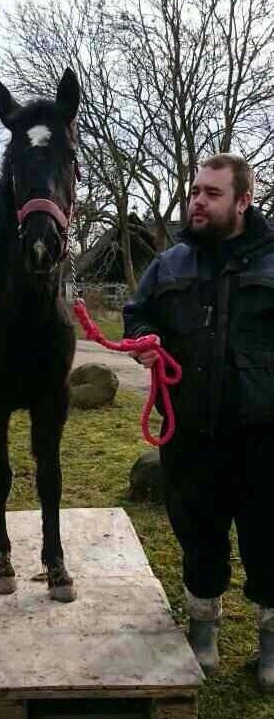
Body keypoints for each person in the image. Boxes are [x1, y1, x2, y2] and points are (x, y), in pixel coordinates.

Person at [123, 154, 274, 691]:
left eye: (211, 193)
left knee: (269, 539)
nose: (197, 202)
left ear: (242, 202)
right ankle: (203, 630)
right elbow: (137, 312)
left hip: (264, 437)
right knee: (198, 534)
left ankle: (270, 644)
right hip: (189, 434)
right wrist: (144, 338)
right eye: (194, 192)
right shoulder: (171, 264)